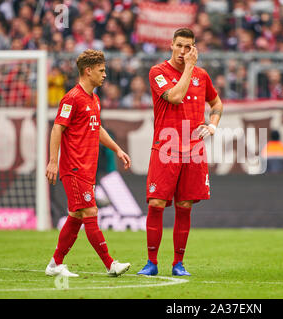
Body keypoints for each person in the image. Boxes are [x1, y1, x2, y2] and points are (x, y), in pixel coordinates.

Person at [137, 28, 223, 277]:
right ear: (171, 46)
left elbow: (216, 103)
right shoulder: (158, 72)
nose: (184, 52)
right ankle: (151, 262)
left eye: (189, 47)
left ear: (194, 48)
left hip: (193, 149)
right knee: (156, 203)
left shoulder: (202, 75)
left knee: (184, 206)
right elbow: (174, 97)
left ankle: (178, 264)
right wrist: (188, 69)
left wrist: (213, 124)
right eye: (179, 46)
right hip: (166, 147)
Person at [45, 49, 132, 278]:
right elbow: (57, 128)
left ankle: (55, 264)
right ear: (88, 70)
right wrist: (53, 161)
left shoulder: (94, 99)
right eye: (101, 71)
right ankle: (110, 264)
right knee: (90, 211)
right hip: (73, 168)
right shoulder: (72, 98)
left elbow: (98, 128)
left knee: (75, 216)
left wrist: (117, 149)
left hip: (87, 168)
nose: (105, 75)